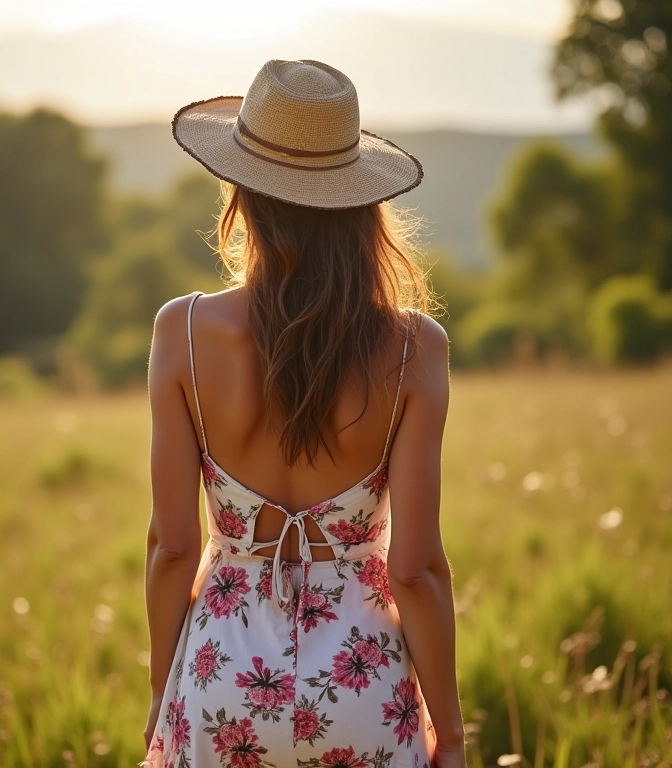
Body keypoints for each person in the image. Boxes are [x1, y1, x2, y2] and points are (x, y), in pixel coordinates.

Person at [141, 60, 465, 768]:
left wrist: (162, 699)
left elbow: (172, 549)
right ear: (359, 203)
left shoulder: (182, 333)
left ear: (242, 198)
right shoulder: (415, 349)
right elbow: (415, 570)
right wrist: (453, 733)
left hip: (220, 678)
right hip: (362, 683)